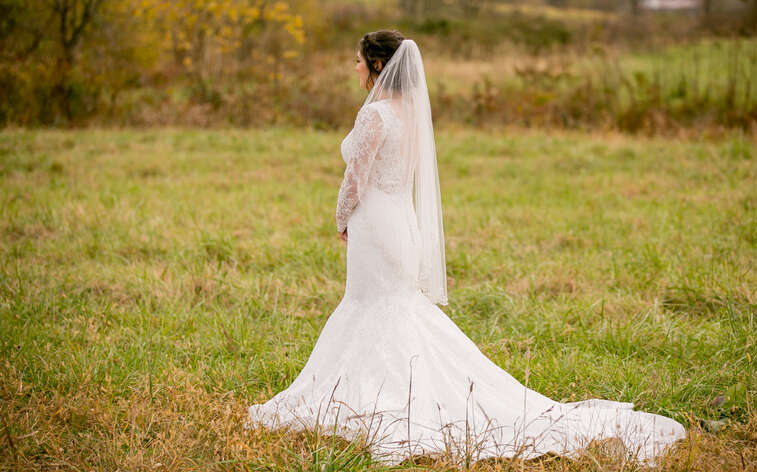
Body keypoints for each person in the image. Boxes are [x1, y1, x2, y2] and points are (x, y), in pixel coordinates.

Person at [247, 29, 686, 466]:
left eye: (359, 59)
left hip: (375, 223)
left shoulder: (375, 116)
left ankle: (382, 397)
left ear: (378, 65)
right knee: (394, 305)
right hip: (401, 221)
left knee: (373, 305)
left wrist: (341, 217)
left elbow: (356, 178)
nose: (354, 65)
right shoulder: (412, 113)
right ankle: (388, 386)